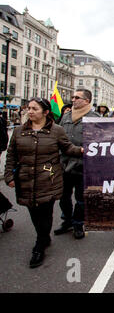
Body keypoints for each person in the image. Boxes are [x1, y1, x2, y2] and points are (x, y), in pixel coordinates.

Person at [4, 98, 83, 268]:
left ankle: (40, 245)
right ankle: (43, 236)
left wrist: (84, 150)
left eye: (35, 109)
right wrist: (9, 176)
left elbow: (68, 148)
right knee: (33, 211)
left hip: (49, 178)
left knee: (45, 212)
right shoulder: (18, 131)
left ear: (45, 112)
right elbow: (11, 155)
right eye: (29, 108)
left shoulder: (57, 130)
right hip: (25, 179)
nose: (30, 111)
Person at [54, 89, 100, 239]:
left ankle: (78, 223)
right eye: (73, 97)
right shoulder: (66, 116)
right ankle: (66, 220)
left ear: (87, 101)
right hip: (64, 165)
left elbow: (101, 142)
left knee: (81, 199)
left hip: (83, 166)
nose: (73, 99)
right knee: (63, 197)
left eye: (77, 97)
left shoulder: (95, 118)